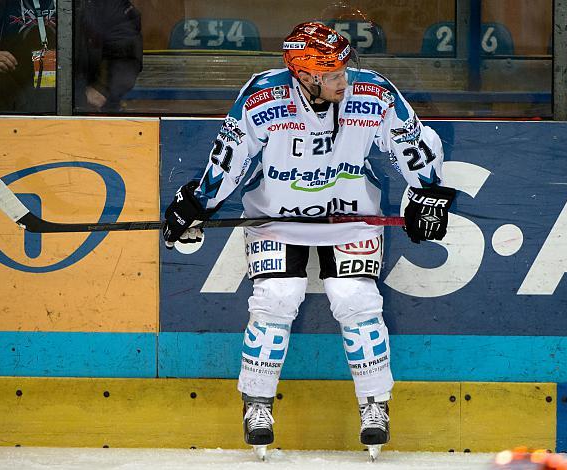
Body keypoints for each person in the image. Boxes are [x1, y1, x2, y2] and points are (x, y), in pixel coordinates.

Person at [162, 21, 456, 459]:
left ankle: (375, 403)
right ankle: (257, 402)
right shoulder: (262, 97)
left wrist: (428, 194)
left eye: (344, 69)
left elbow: (413, 145)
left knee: (355, 298)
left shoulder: (372, 93)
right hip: (276, 216)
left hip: (351, 215)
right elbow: (230, 157)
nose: (345, 79)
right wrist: (198, 202)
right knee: (277, 296)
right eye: (334, 74)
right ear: (305, 75)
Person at [73, 0, 142, 112]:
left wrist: (102, 88)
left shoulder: (111, 5)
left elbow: (126, 53)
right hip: (40, 98)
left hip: (92, 108)